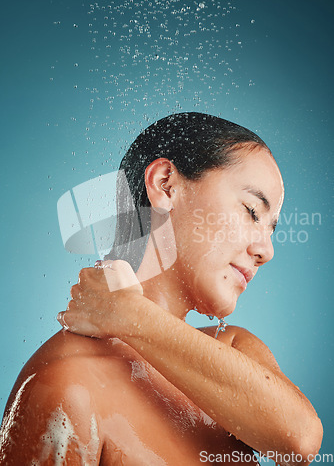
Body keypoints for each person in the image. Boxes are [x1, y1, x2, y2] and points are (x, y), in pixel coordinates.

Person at [0, 113, 323, 465]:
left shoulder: (234, 349)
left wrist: (130, 315)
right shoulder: (68, 385)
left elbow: (300, 442)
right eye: (251, 210)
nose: (268, 251)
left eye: (272, 229)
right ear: (166, 185)